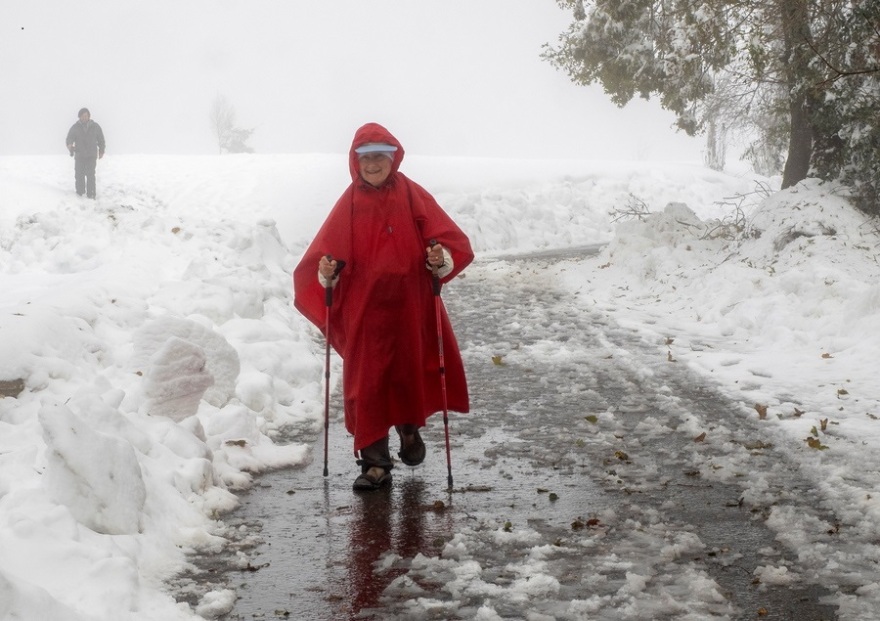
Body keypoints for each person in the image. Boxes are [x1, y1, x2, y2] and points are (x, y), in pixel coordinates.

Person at [293, 122, 474, 491]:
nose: (372, 164)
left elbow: (448, 242)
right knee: (367, 383)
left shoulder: (411, 194)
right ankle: (375, 463)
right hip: (365, 311)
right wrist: (328, 271)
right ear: (355, 161)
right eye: (366, 158)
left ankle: (409, 435)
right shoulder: (350, 202)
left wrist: (438, 259)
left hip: (412, 305)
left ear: (393, 159)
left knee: (408, 372)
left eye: (379, 157)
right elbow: (325, 258)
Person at [65, 107, 105, 199]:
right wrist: (70, 145)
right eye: (82, 116)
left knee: (91, 175)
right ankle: (80, 194)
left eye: (86, 116)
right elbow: (69, 139)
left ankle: (91, 195)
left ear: (89, 116)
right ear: (79, 117)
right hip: (79, 155)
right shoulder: (75, 127)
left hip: (91, 155)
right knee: (79, 175)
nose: (84, 118)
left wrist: (102, 150)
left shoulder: (95, 126)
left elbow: (101, 140)